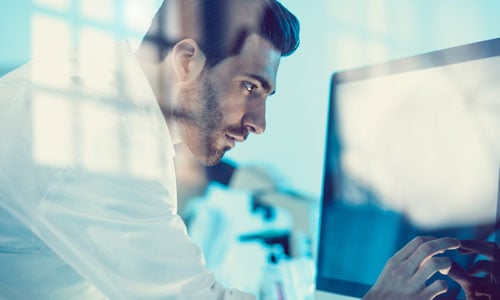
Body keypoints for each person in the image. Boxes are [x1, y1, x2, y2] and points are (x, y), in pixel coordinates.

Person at [0, 0, 497, 299]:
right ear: (188, 60)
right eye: (251, 87)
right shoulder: (101, 136)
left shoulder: (102, 84)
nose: (259, 123)